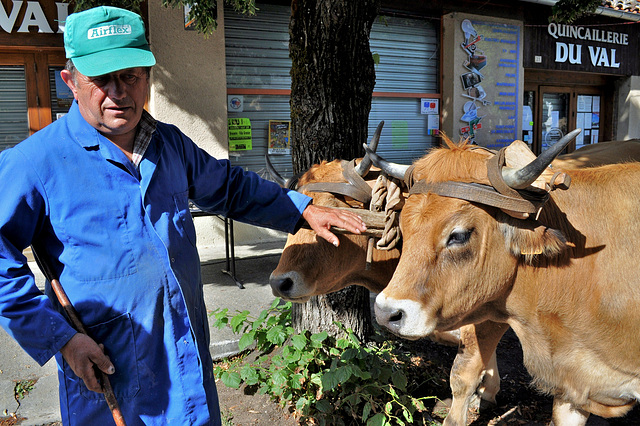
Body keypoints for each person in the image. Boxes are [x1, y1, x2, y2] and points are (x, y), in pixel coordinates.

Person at [0, 6, 366, 425]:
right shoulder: (35, 162)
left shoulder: (167, 143)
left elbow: (230, 188)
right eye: (101, 80)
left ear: (147, 76)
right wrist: (61, 340)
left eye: (130, 76)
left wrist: (302, 211)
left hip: (186, 363)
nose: (118, 92)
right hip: (107, 375)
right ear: (70, 82)